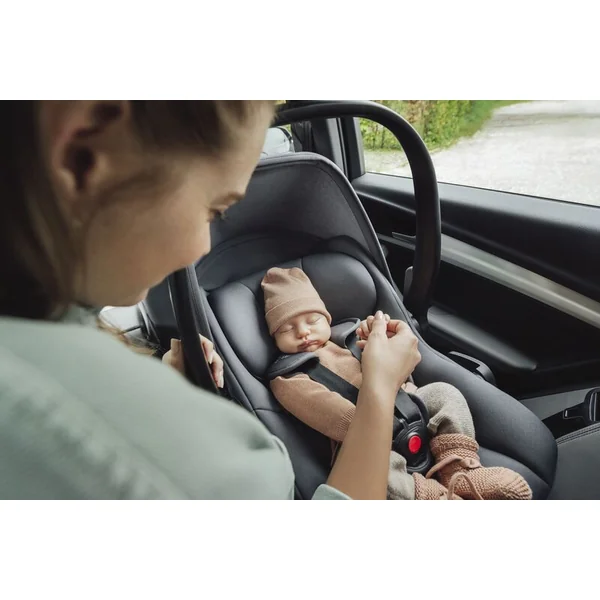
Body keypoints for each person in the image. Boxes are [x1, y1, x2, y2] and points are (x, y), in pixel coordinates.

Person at [0, 100, 421, 499]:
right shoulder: (134, 450)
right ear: (83, 157)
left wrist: (171, 391)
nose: (201, 248)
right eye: (211, 209)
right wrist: (380, 387)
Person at [262, 267, 533, 500]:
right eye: (287, 328)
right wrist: (371, 422)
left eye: (312, 320)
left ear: (327, 318)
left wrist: (381, 342)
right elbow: (326, 411)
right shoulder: (290, 376)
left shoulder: (349, 339)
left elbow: (399, 370)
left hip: (406, 403)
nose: (303, 332)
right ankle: (431, 496)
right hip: (362, 438)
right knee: (381, 474)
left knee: (444, 393)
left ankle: (458, 467)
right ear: (274, 337)